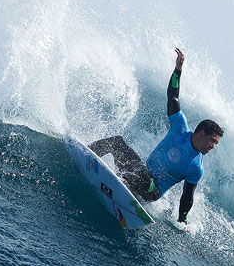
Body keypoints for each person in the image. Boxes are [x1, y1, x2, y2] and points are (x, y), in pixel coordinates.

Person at [89, 48, 224, 228]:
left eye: (216, 143)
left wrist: (182, 221)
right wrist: (178, 70)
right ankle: (87, 152)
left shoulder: (196, 167)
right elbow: (173, 96)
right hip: (141, 172)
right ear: (201, 133)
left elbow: (187, 196)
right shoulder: (180, 127)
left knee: (140, 174)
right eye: (212, 141)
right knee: (117, 142)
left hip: (152, 191)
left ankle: (121, 182)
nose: (213, 146)